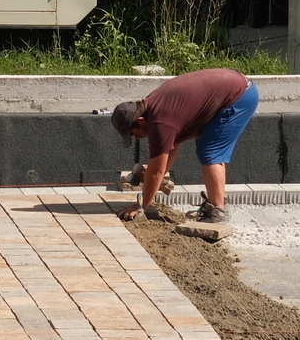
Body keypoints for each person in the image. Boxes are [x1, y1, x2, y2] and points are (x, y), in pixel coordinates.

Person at [110, 67, 259, 223]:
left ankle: (217, 211)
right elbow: (170, 147)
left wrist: (140, 207)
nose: (137, 138)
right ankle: (216, 203)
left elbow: (156, 171)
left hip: (239, 97)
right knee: (206, 146)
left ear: (140, 121)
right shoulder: (150, 107)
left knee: (210, 150)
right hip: (233, 87)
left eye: (134, 134)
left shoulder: (161, 122)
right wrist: (155, 175)